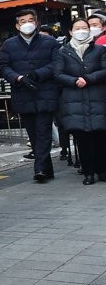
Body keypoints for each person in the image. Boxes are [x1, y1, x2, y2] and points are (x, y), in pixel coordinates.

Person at [0, 8, 60, 183]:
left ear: (37, 22)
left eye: (30, 20)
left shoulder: (50, 42)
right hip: (23, 93)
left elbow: (57, 64)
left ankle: (39, 168)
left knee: (43, 131)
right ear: (17, 25)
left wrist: (39, 74)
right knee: (33, 133)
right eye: (23, 21)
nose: (27, 24)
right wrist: (17, 78)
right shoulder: (9, 45)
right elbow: (3, 66)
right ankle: (47, 168)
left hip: (45, 92)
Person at [53, 18, 106, 185]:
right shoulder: (63, 52)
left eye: (85, 27)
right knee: (82, 139)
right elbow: (58, 74)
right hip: (74, 101)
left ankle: (102, 170)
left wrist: (88, 79)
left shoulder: (99, 50)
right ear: (70, 31)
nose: (81, 30)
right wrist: (75, 80)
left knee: (100, 137)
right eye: (77, 28)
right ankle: (88, 172)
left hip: (97, 98)